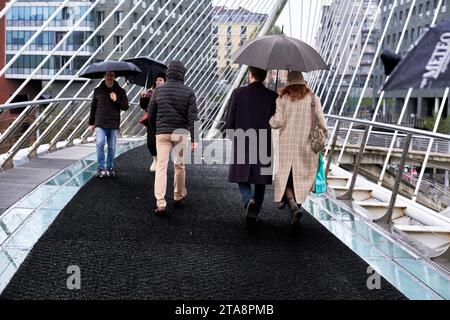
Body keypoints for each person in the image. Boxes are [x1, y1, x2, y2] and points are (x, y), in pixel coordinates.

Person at [269, 71, 328, 229]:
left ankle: (293, 206)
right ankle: (297, 207)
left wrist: (270, 119)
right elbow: (322, 123)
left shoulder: (282, 99)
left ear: (288, 83)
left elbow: (278, 122)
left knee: (285, 178)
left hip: (286, 145)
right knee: (301, 179)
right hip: (306, 146)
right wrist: (324, 137)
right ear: (303, 82)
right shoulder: (313, 99)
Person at [225, 66, 278, 227]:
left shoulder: (238, 93)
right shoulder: (273, 96)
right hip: (264, 140)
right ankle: (256, 209)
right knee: (261, 180)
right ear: (264, 77)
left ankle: (248, 199)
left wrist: (232, 134)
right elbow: (276, 122)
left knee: (241, 175)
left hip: (243, 139)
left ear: (250, 75)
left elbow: (230, 118)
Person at [148, 61, 198, 215]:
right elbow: (193, 117)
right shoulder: (189, 92)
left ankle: (161, 203)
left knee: (161, 167)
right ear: (182, 74)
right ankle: (178, 195)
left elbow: (151, 113)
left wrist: (157, 130)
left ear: (168, 73)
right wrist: (196, 138)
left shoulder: (159, 90)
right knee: (179, 165)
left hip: (162, 133)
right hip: (180, 133)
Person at [89, 71, 130, 179]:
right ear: (104, 76)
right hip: (100, 123)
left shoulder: (121, 91)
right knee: (100, 143)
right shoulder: (97, 91)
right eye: (108, 75)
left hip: (113, 123)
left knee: (111, 147)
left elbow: (126, 106)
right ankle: (101, 168)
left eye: (111, 75)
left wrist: (116, 100)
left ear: (115, 77)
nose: (109, 77)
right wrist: (91, 123)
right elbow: (93, 107)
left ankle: (110, 168)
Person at [139, 72, 166, 172]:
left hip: (162, 121)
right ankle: (155, 159)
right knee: (150, 142)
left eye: (161, 80)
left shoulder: (167, 92)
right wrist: (143, 97)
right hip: (151, 120)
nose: (158, 81)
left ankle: (160, 162)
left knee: (161, 141)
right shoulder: (150, 92)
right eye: (157, 79)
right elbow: (143, 106)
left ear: (165, 81)